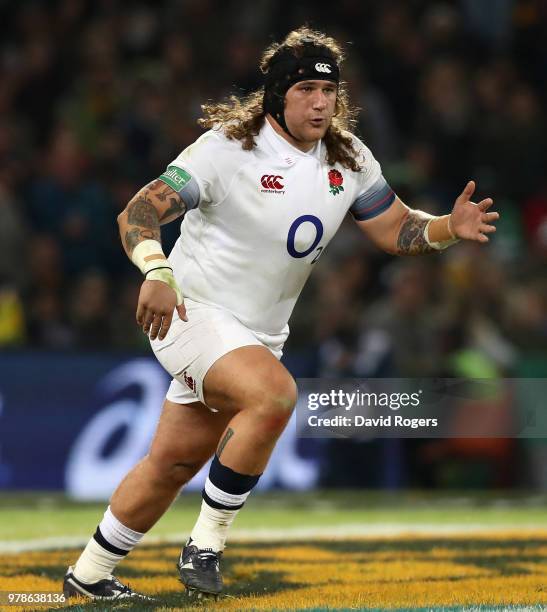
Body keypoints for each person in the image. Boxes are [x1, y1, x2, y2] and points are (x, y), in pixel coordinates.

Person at [63, 27, 499, 601]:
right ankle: (206, 546)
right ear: (277, 94)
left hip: (256, 335)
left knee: (171, 464)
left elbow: (396, 229)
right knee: (274, 397)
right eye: (306, 89)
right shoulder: (227, 149)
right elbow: (138, 211)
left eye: (329, 89)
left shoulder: (348, 156)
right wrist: (156, 271)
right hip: (191, 313)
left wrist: (447, 229)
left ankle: (88, 576)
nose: (321, 101)